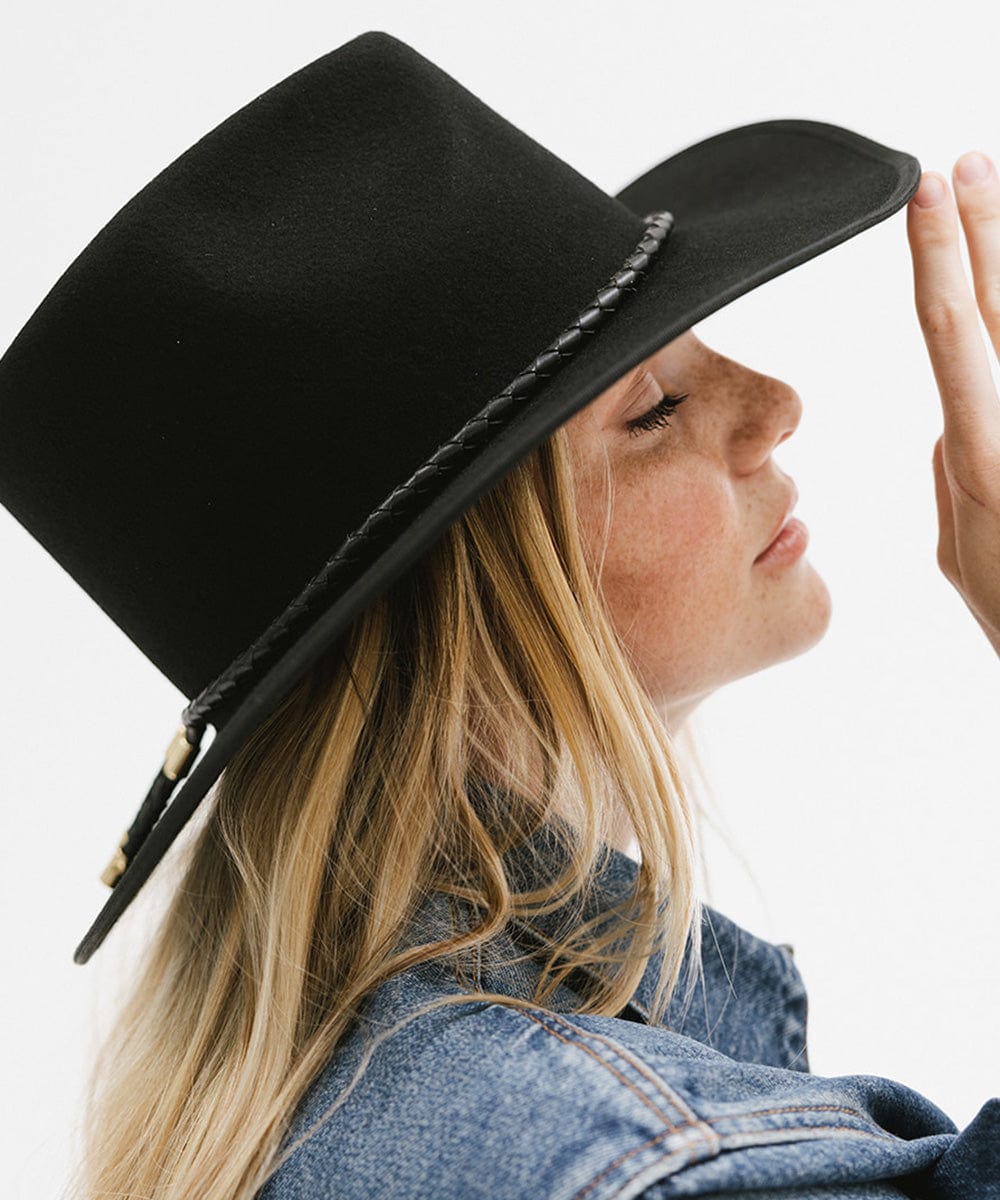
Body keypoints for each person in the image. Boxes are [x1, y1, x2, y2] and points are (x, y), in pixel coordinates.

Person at [1, 30, 997, 1200]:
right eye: (655, 408)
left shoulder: (345, 1102)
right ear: (469, 606)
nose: (771, 404)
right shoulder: (616, 1161)